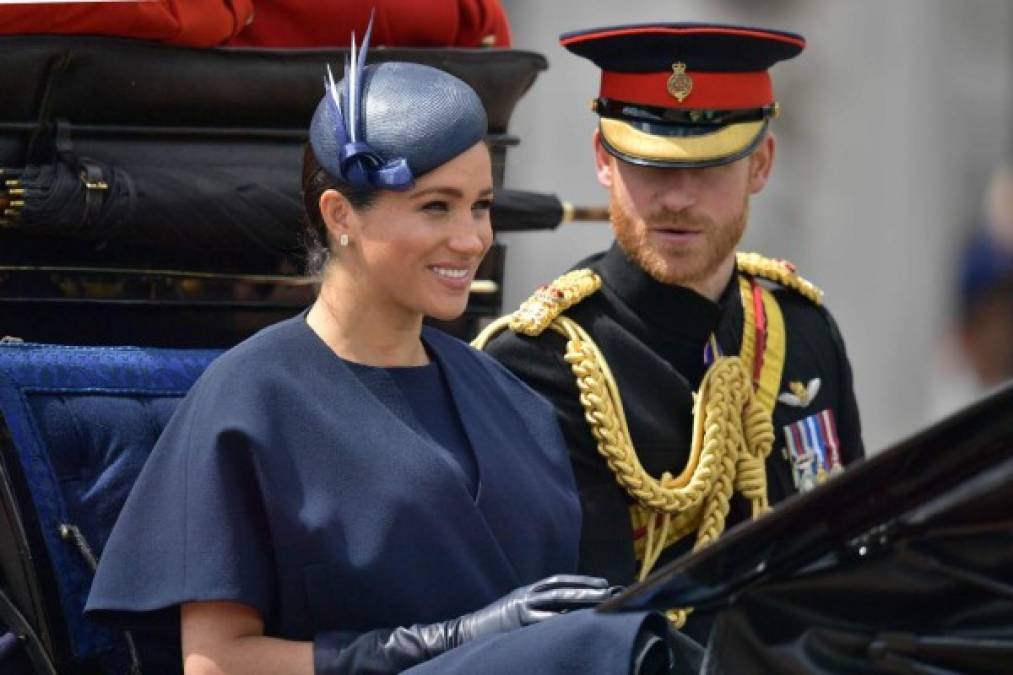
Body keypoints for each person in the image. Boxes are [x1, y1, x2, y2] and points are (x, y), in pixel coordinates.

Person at [84, 22, 678, 675]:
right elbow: (216, 663)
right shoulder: (250, 397)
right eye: (434, 207)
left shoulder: (510, 398)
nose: (470, 237)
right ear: (340, 215)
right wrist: (425, 644)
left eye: (479, 205)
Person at [478, 22, 865, 638]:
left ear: (761, 164)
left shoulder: (803, 330)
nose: (678, 199)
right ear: (604, 160)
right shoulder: (538, 363)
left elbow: (852, 561)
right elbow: (576, 634)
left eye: (709, 167)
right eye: (649, 165)